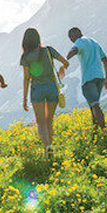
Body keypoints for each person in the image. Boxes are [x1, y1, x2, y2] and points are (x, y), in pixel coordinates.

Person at [20, 27, 67, 157]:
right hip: (52, 88)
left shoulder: (25, 57)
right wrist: (62, 69)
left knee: (40, 122)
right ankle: (50, 148)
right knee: (49, 121)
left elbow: (26, 78)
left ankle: (47, 147)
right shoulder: (48, 50)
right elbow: (65, 62)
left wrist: (24, 99)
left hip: (37, 89)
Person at [66, 27, 107, 129]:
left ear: (74, 36)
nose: (71, 41)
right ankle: (95, 134)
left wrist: (65, 59)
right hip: (99, 78)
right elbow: (105, 60)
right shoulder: (94, 42)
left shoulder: (79, 42)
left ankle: (104, 130)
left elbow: (74, 49)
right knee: (93, 106)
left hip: (89, 79)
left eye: (71, 38)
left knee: (95, 106)